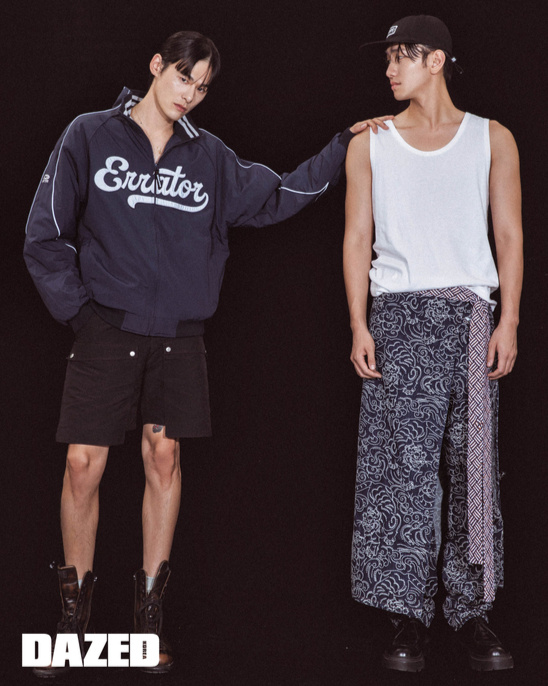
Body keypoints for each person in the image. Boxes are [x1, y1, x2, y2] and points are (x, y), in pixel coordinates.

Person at [24, 30, 389, 677]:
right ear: (156, 66)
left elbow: (277, 196)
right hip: (106, 328)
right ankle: (71, 624)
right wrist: (80, 315)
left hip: (178, 335)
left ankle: (147, 623)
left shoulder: (210, 157)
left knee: (163, 458)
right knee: (82, 465)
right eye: (182, 78)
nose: (189, 95)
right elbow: (45, 233)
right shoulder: (90, 134)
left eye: (201, 87)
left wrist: (342, 147)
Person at [344, 15, 522, 673]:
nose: (391, 69)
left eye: (403, 56)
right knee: (400, 472)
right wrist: (359, 324)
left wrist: (509, 321)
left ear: (437, 60)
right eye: (388, 57)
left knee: (473, 470)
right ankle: (405, 616)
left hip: (471, 315)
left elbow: (510, 235)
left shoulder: (491, 137)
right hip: (398, 317)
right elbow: (356, 237)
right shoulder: (371, 143)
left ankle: (473, 611)